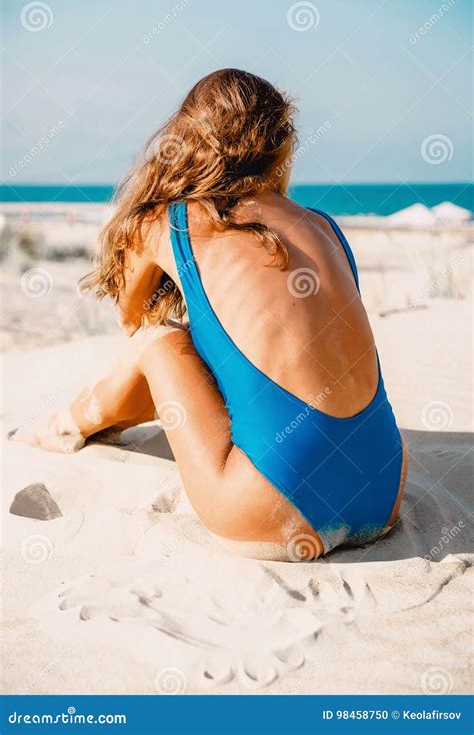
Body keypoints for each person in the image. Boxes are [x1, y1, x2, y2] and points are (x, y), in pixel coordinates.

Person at [14, 68, 407, 561]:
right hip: (384, 491)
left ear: (185, 141)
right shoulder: (323, 226)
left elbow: (134, 324)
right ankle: (79, 424)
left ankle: (67, 428)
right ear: (279, 144)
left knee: (160, 342)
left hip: (272, 507)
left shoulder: (165, 222)